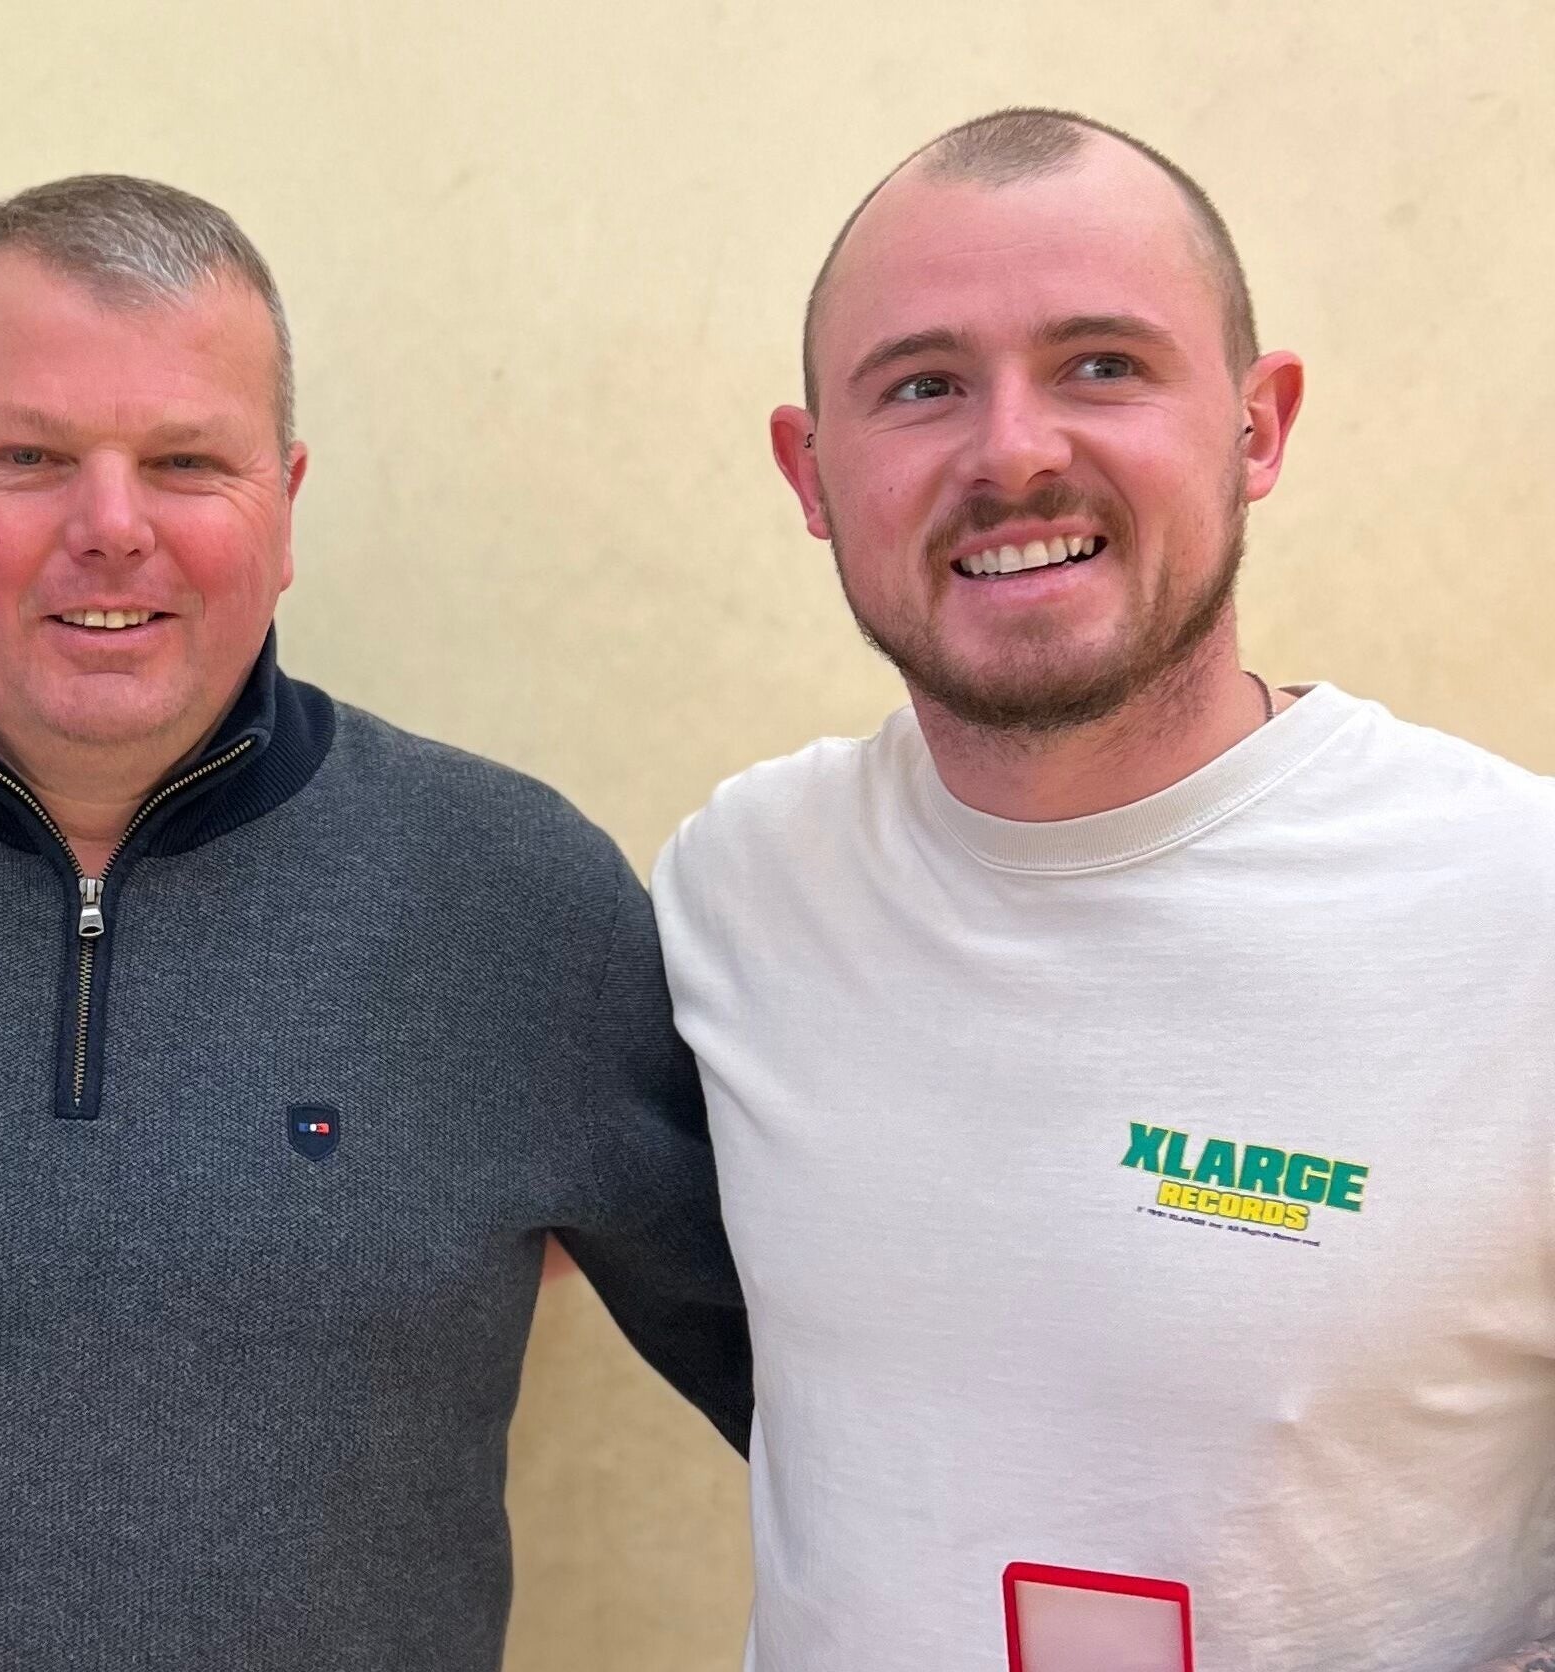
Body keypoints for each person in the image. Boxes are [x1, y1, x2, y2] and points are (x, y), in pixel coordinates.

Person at [0, 173, 749, 1671]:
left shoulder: (518, 905)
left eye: (189, 461)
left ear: (285, 507)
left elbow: (834, 1406)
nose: (111, 527)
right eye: (29, 456)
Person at [654, 107, 1555, 1670]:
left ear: (1258, 426)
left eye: (1103, 365)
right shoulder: (740, 886)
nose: (1013, 453)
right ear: (812, 472)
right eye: (923, 386)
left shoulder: (1518, 913)